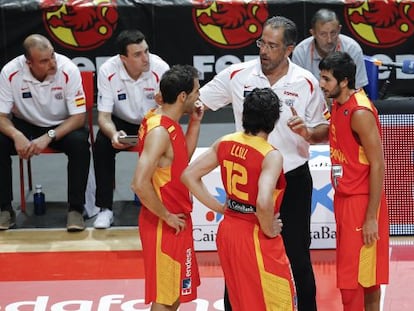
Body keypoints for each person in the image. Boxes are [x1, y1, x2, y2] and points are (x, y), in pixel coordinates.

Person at [199, 16, 329, 311]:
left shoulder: (306, 82)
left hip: (292, 180)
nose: (264, 50)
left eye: (272, 45)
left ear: (289, 49)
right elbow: (198, 103)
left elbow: (324, 129)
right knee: (241, 258)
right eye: (262, 43)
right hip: (248, 182)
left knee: (297, 255)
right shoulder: (237, 75)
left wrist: (308, 132)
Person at [182, 87, 297, 311]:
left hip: (229, 231)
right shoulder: (270, 154)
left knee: (243, 302)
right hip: (254, 233)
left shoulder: (226, 141)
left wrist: (220, 208)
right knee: (280, 302)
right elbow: (263, 202)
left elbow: (188, 175)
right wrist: (269, 228)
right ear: (274, 119)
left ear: (245, 115)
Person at [319, 51, 389, 311]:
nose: (322, 83)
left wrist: (371, 216)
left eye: (326, 79)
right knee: (365, 276)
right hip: (344, 198)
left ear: (344, 81)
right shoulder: (338, 103)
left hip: (361, 204)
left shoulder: (360, 112)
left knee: (352, 282)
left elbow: (378, 164)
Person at [0, 34, 90, 231]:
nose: (52, 63)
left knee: (80, 144)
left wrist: (48, 137)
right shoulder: (10, 72)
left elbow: (78, 117)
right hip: (25, 123)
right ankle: (4, 208)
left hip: (62, 124)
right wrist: (17, 135)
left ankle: (75, 209)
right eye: (44, 60)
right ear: (28, 63)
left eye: (52, 56)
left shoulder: (68, 69)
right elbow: (1, 116)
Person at [131, 64, 203, 311]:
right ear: (183, 96)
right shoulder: (160, 132)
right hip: (165, 223)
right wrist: (167, 216)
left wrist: (194, 123)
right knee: (165, 298)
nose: (198, 96)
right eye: (196, 91)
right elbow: (139, 183)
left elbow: (181, 159)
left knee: (173, 295)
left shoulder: (164, 118)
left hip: (176, 220)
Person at [93, 29, 169, 229]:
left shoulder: (160, 68)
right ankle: (105, 209)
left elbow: (171, 111)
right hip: (122, 122)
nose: (146, 58)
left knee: (169, 145)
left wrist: (157, 126)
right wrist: (113, 133)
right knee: (101, 144)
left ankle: (164, 205)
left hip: (154, 122)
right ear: (123, 58)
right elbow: (104, 116)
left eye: (146, 51)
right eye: (138, 54)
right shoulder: (107, 71)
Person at [292, 8, 368, 90]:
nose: (329, 40)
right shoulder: (301, 52)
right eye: (323, 34)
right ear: (313, 33)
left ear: (339, 29)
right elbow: (298, 90)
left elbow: (357, 89)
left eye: (333, 33)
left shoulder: (352, 49)